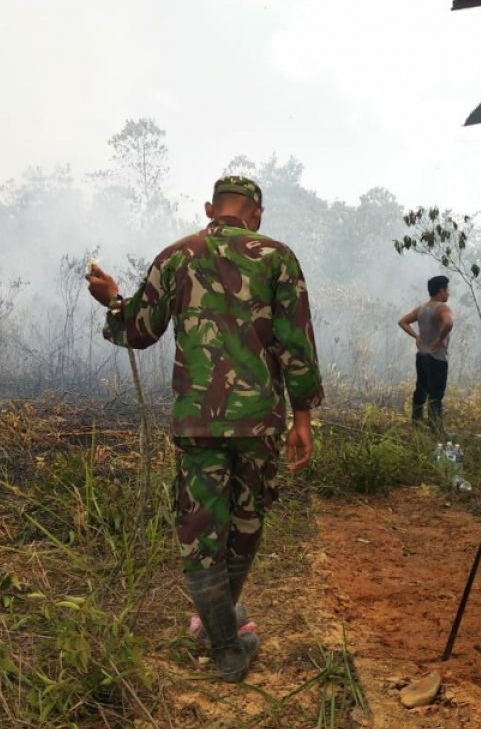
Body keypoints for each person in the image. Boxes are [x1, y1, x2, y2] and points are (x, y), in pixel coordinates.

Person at [85, 175, 323, 684]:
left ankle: (224, 644)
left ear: (211, 208)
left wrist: (111, 298)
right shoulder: (278, 257)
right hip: (259, 421)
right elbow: (296, 342)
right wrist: (302, 417)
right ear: (256, 214)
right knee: (245, 524)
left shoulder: (176, 255)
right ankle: (227, 640)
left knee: (199, 532)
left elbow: (139, 331)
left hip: (199, 420)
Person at [398, 275, 453, 427]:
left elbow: (402, 322)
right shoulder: (442, 308)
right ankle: (435, 428)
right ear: (441, 291)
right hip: (437, 359)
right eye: (447, 289)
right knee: (436, 394)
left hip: (422, 356)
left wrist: (417, 336)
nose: (448, 293)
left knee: (421, 390)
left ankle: (417, 422)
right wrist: (441, 339)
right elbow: (448, 322)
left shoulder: (422, 309)